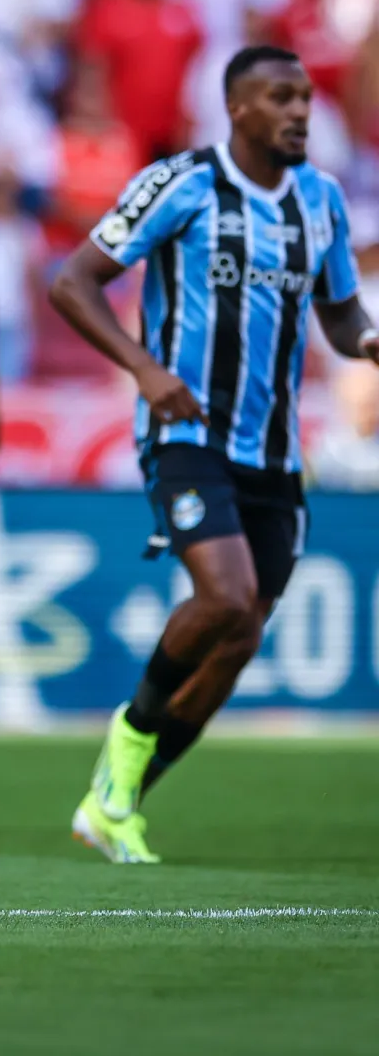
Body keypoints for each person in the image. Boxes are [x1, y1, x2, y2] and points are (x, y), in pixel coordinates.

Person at [49, 45, 379, 863]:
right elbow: (73, 281)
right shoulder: (181, 183)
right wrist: (146, 370)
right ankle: (126, 741)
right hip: (186, 430)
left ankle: (116, 802)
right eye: (280, 97)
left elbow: (338, 314)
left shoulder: (323, 202)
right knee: (225, 597)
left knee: (241, 633)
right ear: (237, 109)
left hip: (273, 449)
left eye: (304, 97)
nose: (300, 111)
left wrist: (369, 339)